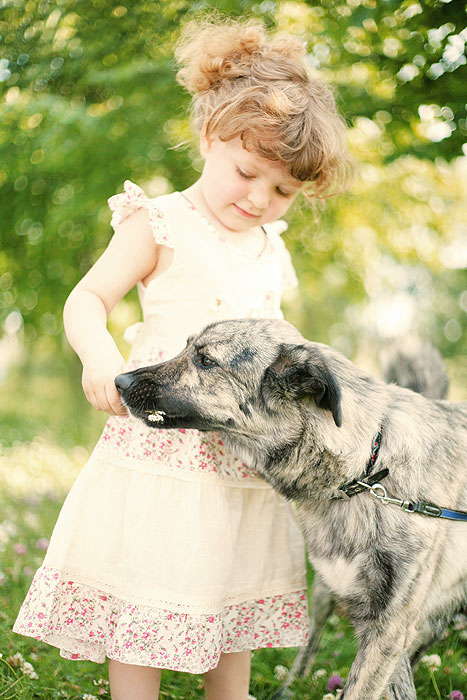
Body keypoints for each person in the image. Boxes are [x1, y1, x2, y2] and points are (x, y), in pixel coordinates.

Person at [14, 15, 352, 700]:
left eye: (282, 191)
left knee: (230, 585)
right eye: (247, 173)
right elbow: (87, 298)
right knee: (147, 577)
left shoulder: (271, 248)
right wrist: (99, 357)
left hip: (240, 459)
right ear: (208, 136)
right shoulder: (161, 223)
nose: (259, 199)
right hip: (161, 447)